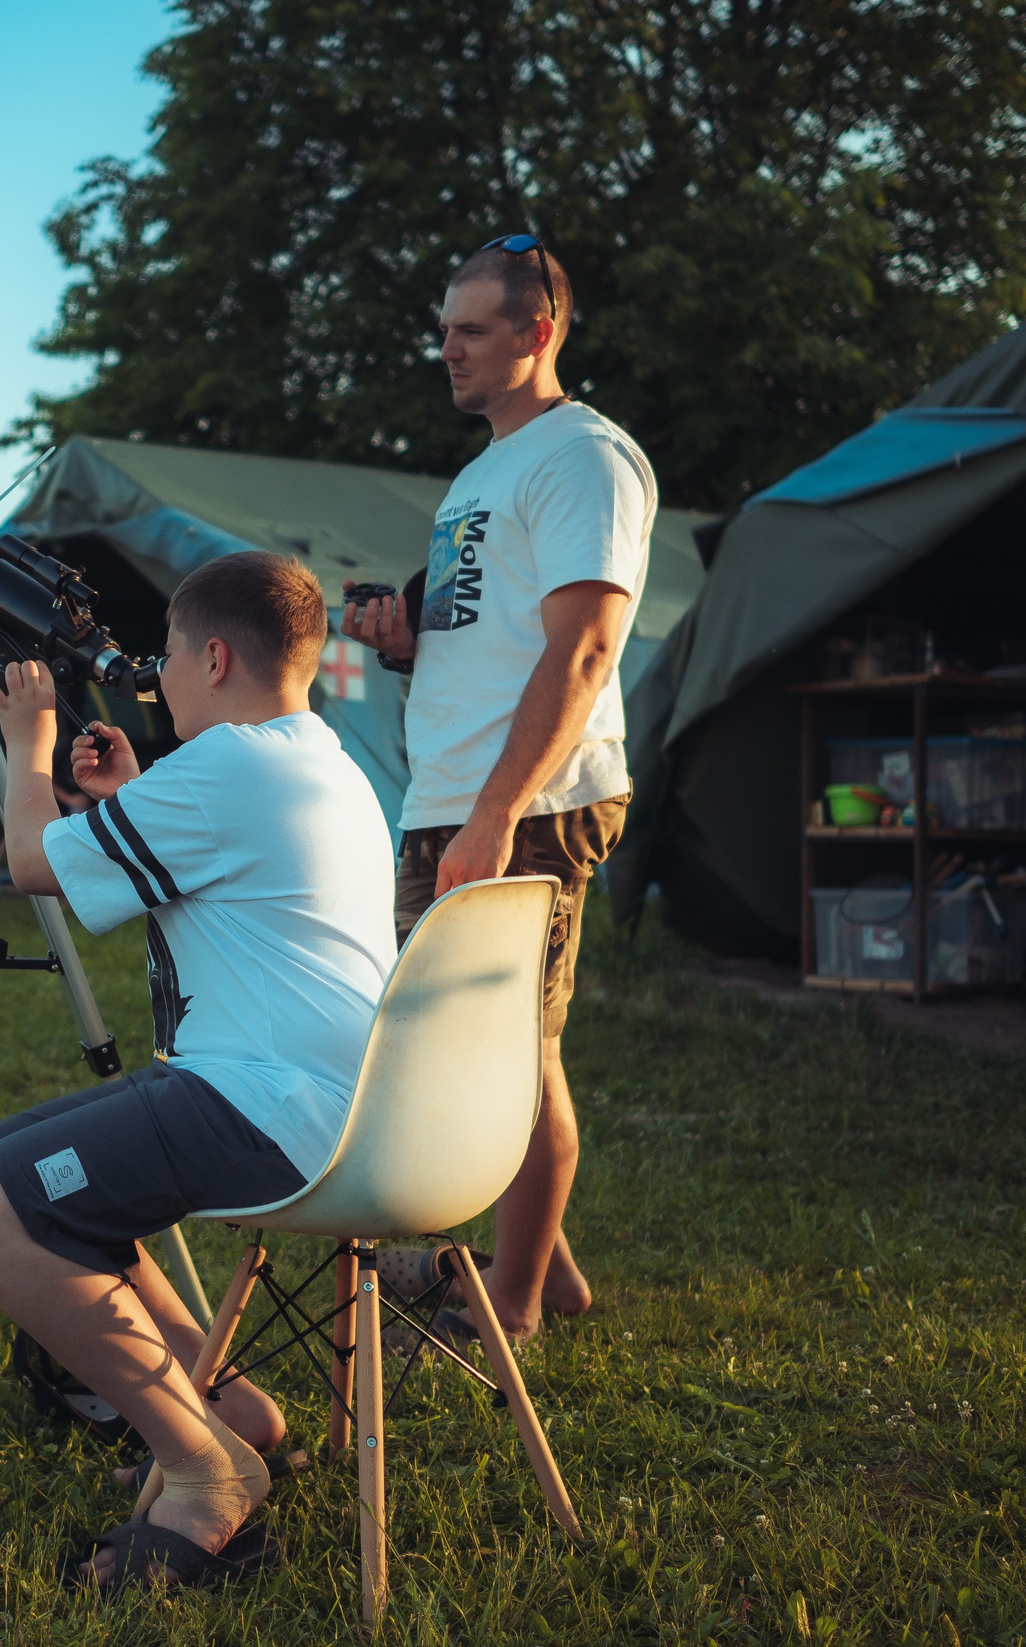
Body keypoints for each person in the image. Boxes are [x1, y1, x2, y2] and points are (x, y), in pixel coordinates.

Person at [0, 551, 396, 1591]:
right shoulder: (314, 756)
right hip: (332, 1100)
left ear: (217, 655)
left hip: (269, 1110)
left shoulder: (229, 765)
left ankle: (204, 1477)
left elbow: (31, 866)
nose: (159, 679)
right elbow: (214, 880)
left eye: (173, 658)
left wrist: (28, 742)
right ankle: (224, 1406)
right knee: (10, 1169)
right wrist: (132, 797)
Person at [343, 235, 657, 1352]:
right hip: (452, 796)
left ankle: (512, 1310)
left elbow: (583, 655)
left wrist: (496, 817)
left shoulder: (582, 457)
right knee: (455, 1044)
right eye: (443, 330)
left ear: (539, 332)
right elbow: (495, 646)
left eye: (471, 329)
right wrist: (404, 646)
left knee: (514, 1055)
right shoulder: (484, 473)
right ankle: (549, 1275)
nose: (448, 350)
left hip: (525, 803)